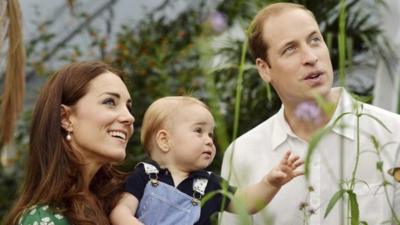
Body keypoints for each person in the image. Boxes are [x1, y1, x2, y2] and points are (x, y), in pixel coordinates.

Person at [220, 2, 400, 225]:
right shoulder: (242, 154)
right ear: (264, 69)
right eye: (290, 49)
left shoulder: (393, 135)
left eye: (315, 40)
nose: (310, 57)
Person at [110, 96, 303, 225]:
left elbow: (246, 203)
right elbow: (121, 212)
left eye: (210, 134)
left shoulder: (209, 184)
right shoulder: (145, 174)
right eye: (199, 131)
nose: (209, 140)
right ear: (164, 140)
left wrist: (270, 183)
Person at [3, 61, 135, 225]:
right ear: (65, 118)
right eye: (109, 102)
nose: (129, 117)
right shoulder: (43, 219)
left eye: (129, 107)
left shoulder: (125, 203)